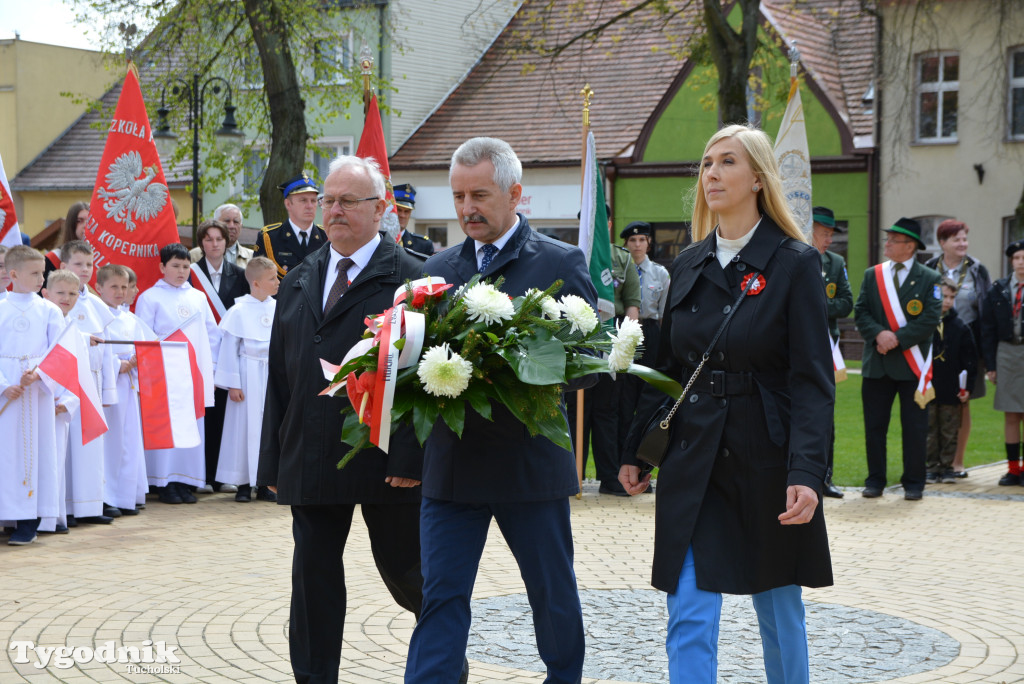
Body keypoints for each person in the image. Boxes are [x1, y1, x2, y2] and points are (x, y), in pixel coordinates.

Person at [618, 124, 834, 684]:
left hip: (767, 458)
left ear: (758, 179)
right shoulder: (687, 263)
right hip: (694, 459)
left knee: (778, 607)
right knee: (688, 607)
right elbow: (666, 370)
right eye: (707, 163)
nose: (711, 173)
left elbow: (811, 381)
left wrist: (807, 472)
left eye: (727, 162)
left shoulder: (794, 263)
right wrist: (639, 452)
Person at [405, 137, 596, 684]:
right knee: (440, 600)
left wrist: (524, 362)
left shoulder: (560, 262)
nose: (467, 209)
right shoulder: (436, 269)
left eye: (480, 195)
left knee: (552, 597)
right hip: (452, 470)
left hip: (529, 468)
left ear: (515, 194)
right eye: (459, 196)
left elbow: (586, 365)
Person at [257, 155, 427, 684]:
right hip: (310, 454)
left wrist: (412, 456)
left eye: (347, 201)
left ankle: (444, 666)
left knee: (411, 576)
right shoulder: (300, 278)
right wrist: (273, 458)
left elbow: (428, 383)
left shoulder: (414, 279)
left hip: (384, 459)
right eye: (328, 200)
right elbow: (281, 374)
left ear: (380, 209)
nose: (333, 210)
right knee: (312, 583)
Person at [854, 217, 942, 500]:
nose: (887, 244)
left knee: (915, 429)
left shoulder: (930, 278)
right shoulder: (873, 274)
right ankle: (875, 480)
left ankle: (914, 483)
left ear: (910, 246)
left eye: (893, 240)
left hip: (911, 366)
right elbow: (861, 311)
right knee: (874, 428)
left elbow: (930, 318)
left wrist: (897, 339)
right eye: (888, 238)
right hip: (877, 366)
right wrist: (879, 334)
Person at [136, 243, 220, 505]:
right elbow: (143, 336)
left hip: (192, 373)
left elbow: (211, 335)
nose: (181, 271)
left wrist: (212, 370)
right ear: (162, 267)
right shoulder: (150, 297)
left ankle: (186, 480)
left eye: (186, 266)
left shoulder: (198, 297)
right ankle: (164, 482)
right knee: (167, 426)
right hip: (164, 374)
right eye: (175, 266)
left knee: (191, 426)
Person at [565, 206, 640, 496]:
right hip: (577, 341)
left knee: (607, 413)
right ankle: (573, 478)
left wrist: (627, 346)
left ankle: (610, 479)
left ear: (608, 224)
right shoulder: (570, 256)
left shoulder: (621, 258)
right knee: (574, 412)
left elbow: (632, 304)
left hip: (611, 340)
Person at [0, 246, 65, 545]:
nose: (42, 278)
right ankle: (6, 515)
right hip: (6, 394)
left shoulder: (49, 310)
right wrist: (3, 385)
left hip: (35, 393)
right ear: (13, 274)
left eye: (43, 272)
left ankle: (29, 519)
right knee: (5, 456)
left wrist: (39, 374)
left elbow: (60, 353)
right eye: (35, 273)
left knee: (32, 454)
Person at [925, 220, 990, 479]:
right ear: (942, 243)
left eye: (964, 239)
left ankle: (957, 462)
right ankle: (932, 463)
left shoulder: (977, 269)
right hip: (935, 343)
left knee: (963, 403)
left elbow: (985, 306)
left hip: (968, 343)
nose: (962, 244)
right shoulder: (930, 268)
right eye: (956, 240)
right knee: (933, 408)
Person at [189, 219, 249, 494]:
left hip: (230, 353)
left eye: (219, 239)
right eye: (208, 239)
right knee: (205, 414)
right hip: (203, 353)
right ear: (201, 243)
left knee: (226, 414)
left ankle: (223, 475)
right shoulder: (190, 274)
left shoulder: (240, 274)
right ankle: (203, 474)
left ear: (227, 242)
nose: (214, 244)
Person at [61, 240, 119, 525]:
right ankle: (67, 506)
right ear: (63, 266)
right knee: (68, 446)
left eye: (88, 264)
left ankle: (90, 504)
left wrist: (108, 389)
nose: (84, 270)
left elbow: (105, 349)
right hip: (69, 383)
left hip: (93, 381)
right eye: (78, 264)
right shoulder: (58, 300)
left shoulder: (97, 304)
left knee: (91, 446)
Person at [215, 257, 279, 503]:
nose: (277, 282)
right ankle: (242, 483)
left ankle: (265, 483)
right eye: (272, 278)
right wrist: (233, 384)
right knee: (243, 429)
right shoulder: (238, 311)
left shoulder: (278, 308)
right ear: (256, 282)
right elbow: (229, 349)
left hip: (270, 374)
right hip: (247, 374)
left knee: (268, 429)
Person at [96, 264, 152, 515]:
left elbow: (147, 346)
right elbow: (95, 349)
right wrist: (120, 364)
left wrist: (139, 360)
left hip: (128, 386)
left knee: (128, 441)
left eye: (124, 286)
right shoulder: (97, 316)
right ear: (99, 288)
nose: (120, 292)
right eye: (114, 287)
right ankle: (107, 495)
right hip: (108, 385)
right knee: (110, 443)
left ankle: (126, 495)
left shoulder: (130, 318)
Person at [618, 220, 670, 483]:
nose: (637, 245)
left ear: (649, 243)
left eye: (642, 240)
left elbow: (665, 314)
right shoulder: (621, 270)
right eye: (632, 241)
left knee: (649, 397)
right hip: (626, 330)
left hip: (651, 332)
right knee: (626, 397)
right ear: (625, 244)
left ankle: (645, 464)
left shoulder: (660, 274)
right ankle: (625, 462)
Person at [810, 206, 853, 498]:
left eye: (830, 235)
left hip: (826, 347)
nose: (828, 240)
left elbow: (846, 302)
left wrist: (815, 307)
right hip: (793, 347)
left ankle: (826, 477)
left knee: (825, 413)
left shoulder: (835, 263)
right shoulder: (792, 254)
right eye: (824, 233)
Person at [39, 269, 84, 535]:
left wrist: (67, 401)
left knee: (55, 460)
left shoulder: (73, 330)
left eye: (72, 293)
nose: (66, 298)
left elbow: (76, 372)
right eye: (60, 293)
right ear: (45, 293)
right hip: (35, 399)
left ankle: (52, 516)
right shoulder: (40, 321)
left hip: (57, 405)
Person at [981, 240, 1024, 486]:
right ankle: (1012, 470)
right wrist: (991, 365)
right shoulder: (999, 289)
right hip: (1006, 353)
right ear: (1011, 261)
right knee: (1010, 414)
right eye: (1017, 258)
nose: (1021, 263)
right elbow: (987, 329)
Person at [926, 278, 977, 484]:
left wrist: (967, 388)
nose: (947, 301)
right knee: (929, 430)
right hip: (927, 387)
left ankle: (947, 467)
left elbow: (970, 362)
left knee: (949, 430)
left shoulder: (960, 327)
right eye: (943, 296)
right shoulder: (924, 323)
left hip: (951, 389)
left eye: (952, 297)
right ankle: (930, 467)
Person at [253, 173, 326, 279]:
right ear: (288, 204)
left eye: (313, 201)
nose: (310, 206)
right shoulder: (269, 238)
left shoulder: (326, 236)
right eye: (303, 200)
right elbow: (258, 280)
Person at [189, 204, 254, 267]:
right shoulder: (194, 256)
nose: (232, 226)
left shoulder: (252, 257)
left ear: (241, 226)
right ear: (215, 224)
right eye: (227, 221)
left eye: (236, 222)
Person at [43, 201, 89, 283]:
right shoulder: (54, 258)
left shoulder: (102, 258)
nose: (85, 225)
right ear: (71, 224)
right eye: (79, 221)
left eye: (89, 221)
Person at [392, 183, 434, 256]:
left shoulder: (423, 245)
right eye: (399, 210)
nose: (402, 215)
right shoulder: (379, 240)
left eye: (407, 211)